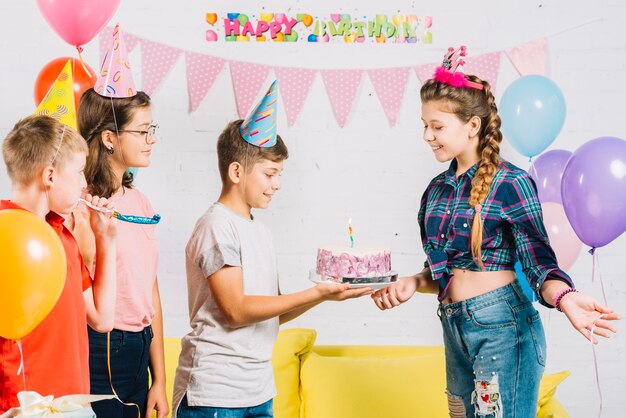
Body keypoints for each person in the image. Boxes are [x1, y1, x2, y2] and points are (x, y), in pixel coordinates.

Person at [372, 46, 620, 418]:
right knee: (460, 412)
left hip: (502, 328)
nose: (427, 135)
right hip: (453, 325)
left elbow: (539, 264)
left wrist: (565, 297)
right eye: (424, 125)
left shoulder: (511, 182)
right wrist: (413, 281)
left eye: (437, 126)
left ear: (473, 125)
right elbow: (446, 269)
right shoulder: (435, 191)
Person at [172, 82, 372, 418]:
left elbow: (272, 311)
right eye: (269, 174)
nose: (277, 183)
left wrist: (323, 295)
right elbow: (236, 310)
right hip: (216, 393)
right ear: (236, 171)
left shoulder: (260, 232)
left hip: (258, 390)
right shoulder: (216, 226)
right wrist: (314, 291)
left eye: (280, 174)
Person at [0, 115, 116, 412]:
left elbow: (102, 319)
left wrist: (105, 239)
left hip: (72, 405)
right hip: (23, 407)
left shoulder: (63, 236)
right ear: (50, 176)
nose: (84, 183)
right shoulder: (5, 235)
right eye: (78, 172)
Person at [73, 87, 168, 418]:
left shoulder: (140, 202)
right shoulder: (80, 207)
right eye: (143, 131)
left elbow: (150, 293)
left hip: (141, 348)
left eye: (151, 130)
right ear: (109, 138)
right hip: (101, 348)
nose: (151, 139)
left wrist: (160, 379)